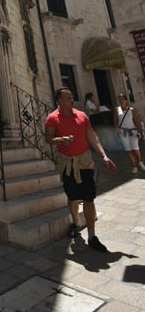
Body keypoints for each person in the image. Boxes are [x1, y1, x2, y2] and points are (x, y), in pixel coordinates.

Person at [45, 87, 117, 252]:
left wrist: (104, 155)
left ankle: (92, 235)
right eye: (68, 97)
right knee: (72, 196)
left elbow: (92, 136)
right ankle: (75, 222)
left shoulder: (82, 115)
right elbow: (48, 138)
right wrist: (61, 140)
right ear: (59, 101)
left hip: (85, 162)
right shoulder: (52, 118)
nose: (72, 99)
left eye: (71, 96)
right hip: (67, 163)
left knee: (89, 197)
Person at [113, 93, 145, 174]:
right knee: (128, 150)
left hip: (133, 131)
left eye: (122, 99)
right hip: (123, 132)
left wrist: (138, 131)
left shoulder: (131, 109)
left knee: (136, 149)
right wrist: (117, 128)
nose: (121, 100)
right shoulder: (117, 109)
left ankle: (140, 162)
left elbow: (136, 121)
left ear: (126, 100)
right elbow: (115, 121)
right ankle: (134, 166)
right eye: (119, 99)